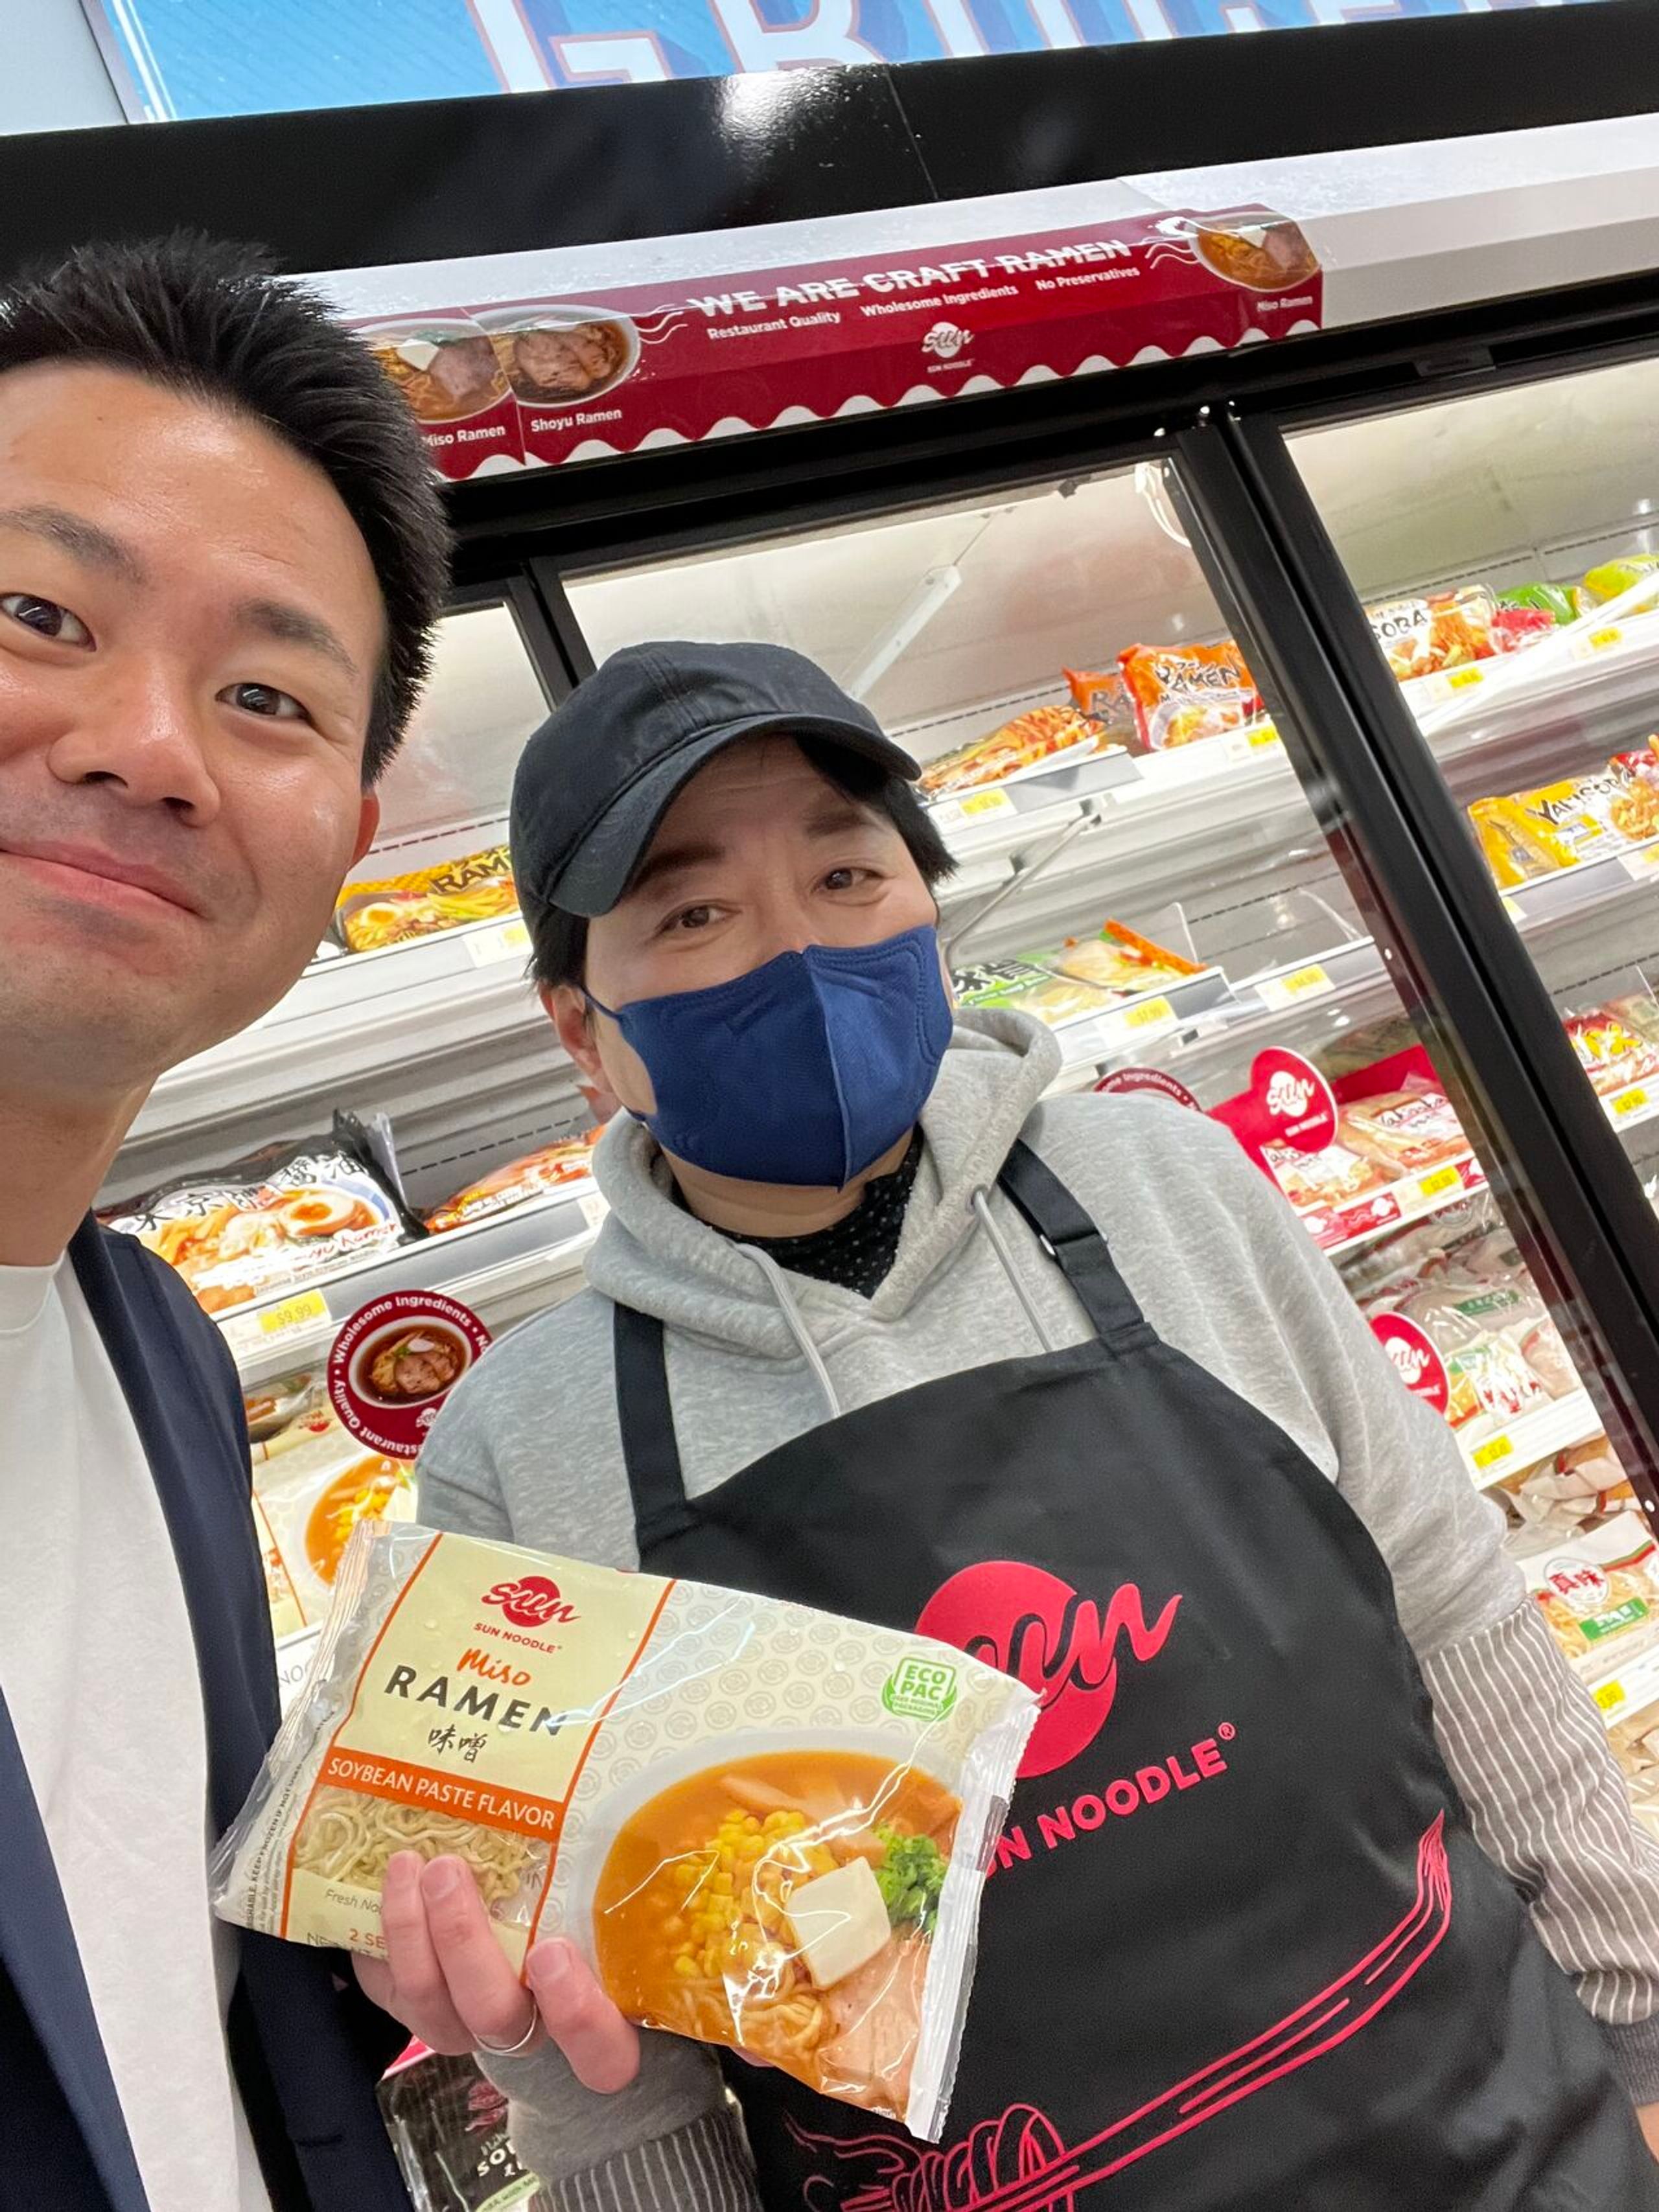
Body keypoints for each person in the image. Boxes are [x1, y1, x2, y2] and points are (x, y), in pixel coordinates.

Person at [406, 638, 1659, 2209]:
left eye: (847, 875)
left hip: (1498, 2162)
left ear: (928, 921)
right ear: (580, 1030)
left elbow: (1459, 1626)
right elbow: (613, 2086)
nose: (793, 954)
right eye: (692, 912)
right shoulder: (513, 1458)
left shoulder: (1166, 1186)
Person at [0, 235, 459, 2212]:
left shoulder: (159, 1350)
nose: (152, 749)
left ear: (352, 833)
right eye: (38, 611)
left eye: (266, 694)